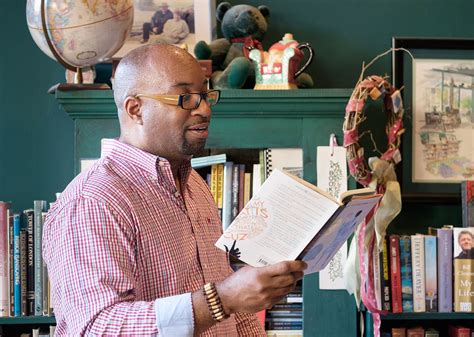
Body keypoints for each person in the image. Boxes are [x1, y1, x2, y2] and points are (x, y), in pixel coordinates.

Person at [43, 44, 307, 336]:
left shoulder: (196, 186)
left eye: (206, 96)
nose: (204, 109)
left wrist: (233, 299)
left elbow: (233, 316)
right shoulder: (93, 201)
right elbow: (97, 328)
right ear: (135, 109)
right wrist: (222, 299)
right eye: (186, 98)